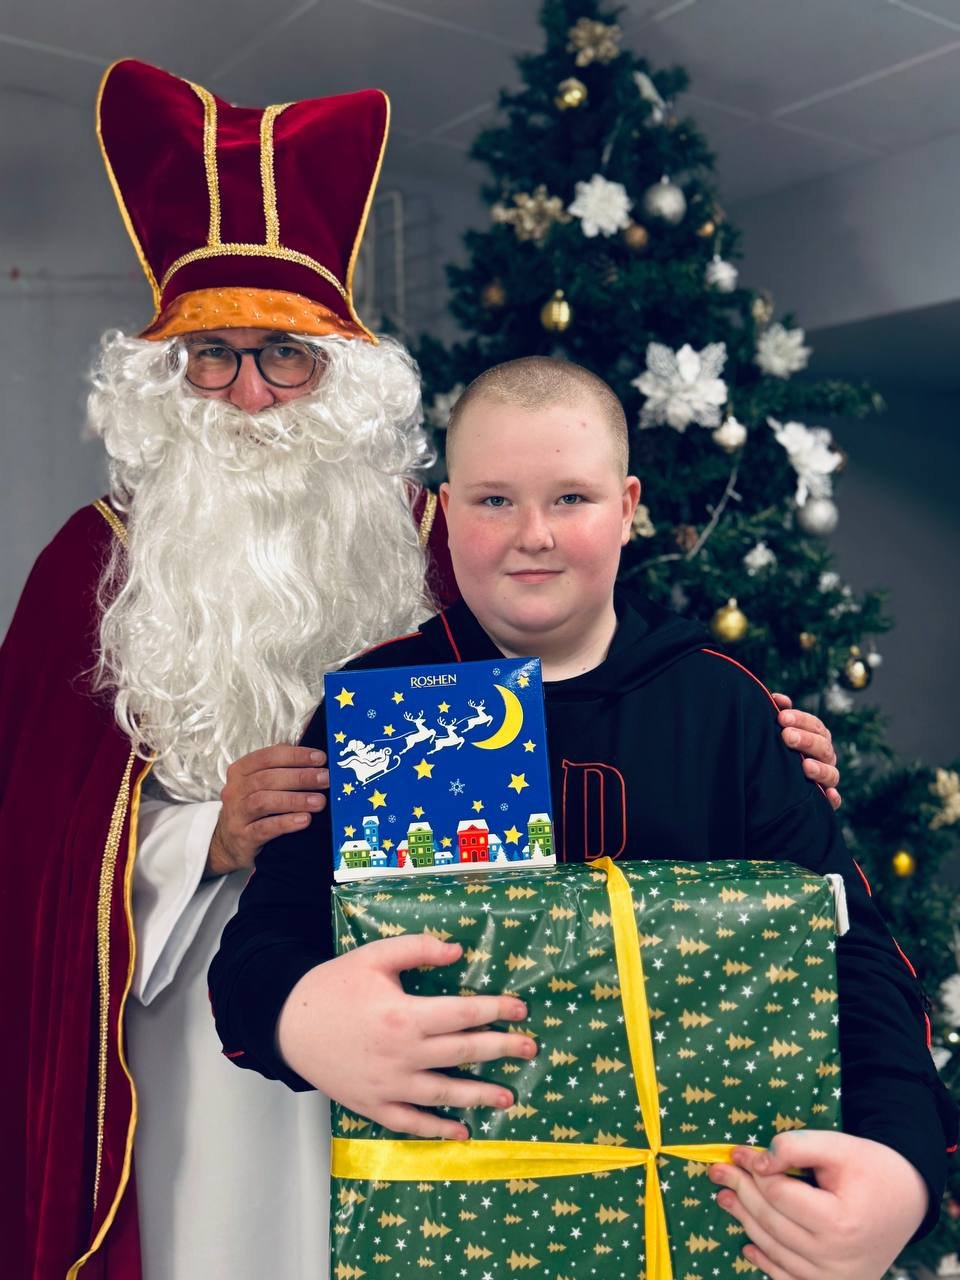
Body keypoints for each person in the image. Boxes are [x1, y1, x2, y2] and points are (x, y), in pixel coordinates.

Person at [0, 62, 837, 1280]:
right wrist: (193, 838)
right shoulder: (91, 563)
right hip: (192, 1053)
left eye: (286, 357)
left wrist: (751, 743)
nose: (249, 393)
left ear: (341, 373)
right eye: (212, 356)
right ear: (164, 378)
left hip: (449, 1012)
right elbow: (23, 841)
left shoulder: (452, 534)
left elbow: (601, 702)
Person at [209, 357, 957, 1279]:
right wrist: (297, 1019)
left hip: (708, 1229)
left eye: (572, 498)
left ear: (629, 505)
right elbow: (257, 954)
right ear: (443, 510)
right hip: (445, 1233)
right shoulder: (381, 709)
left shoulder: (726, 709)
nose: (534, 536)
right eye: (493, 501)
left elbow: (853, 960)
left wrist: (902, 1174)